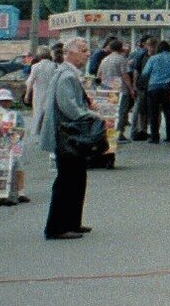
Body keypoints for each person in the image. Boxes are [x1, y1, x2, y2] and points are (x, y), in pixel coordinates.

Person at [42, 37, 100, 240]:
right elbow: (69, 107)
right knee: (67, 180)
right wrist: (91, 116)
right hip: (67, 136)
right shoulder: (67, 76)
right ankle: (57, 227)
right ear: (70, 53)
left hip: (68, 136)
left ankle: (73, 221)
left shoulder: (68, 74)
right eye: (83, 50)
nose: (87, 54)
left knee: (77, 179)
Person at [142, 41, 170, 144]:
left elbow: (145, 73)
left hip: (153, 88)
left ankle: (155, 137)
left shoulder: (153, 58)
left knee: (154, 113)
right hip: (166, 88)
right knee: (168, 112)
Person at [24, 46, 58, 139]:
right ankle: (50, 133)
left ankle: (36, 133)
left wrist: (27, 95)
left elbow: (30, 81)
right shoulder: (54, 66)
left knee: (37, 113)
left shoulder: (35, 66)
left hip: (38, 93)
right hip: (51, 93)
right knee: (49, 114)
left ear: (39, 55)